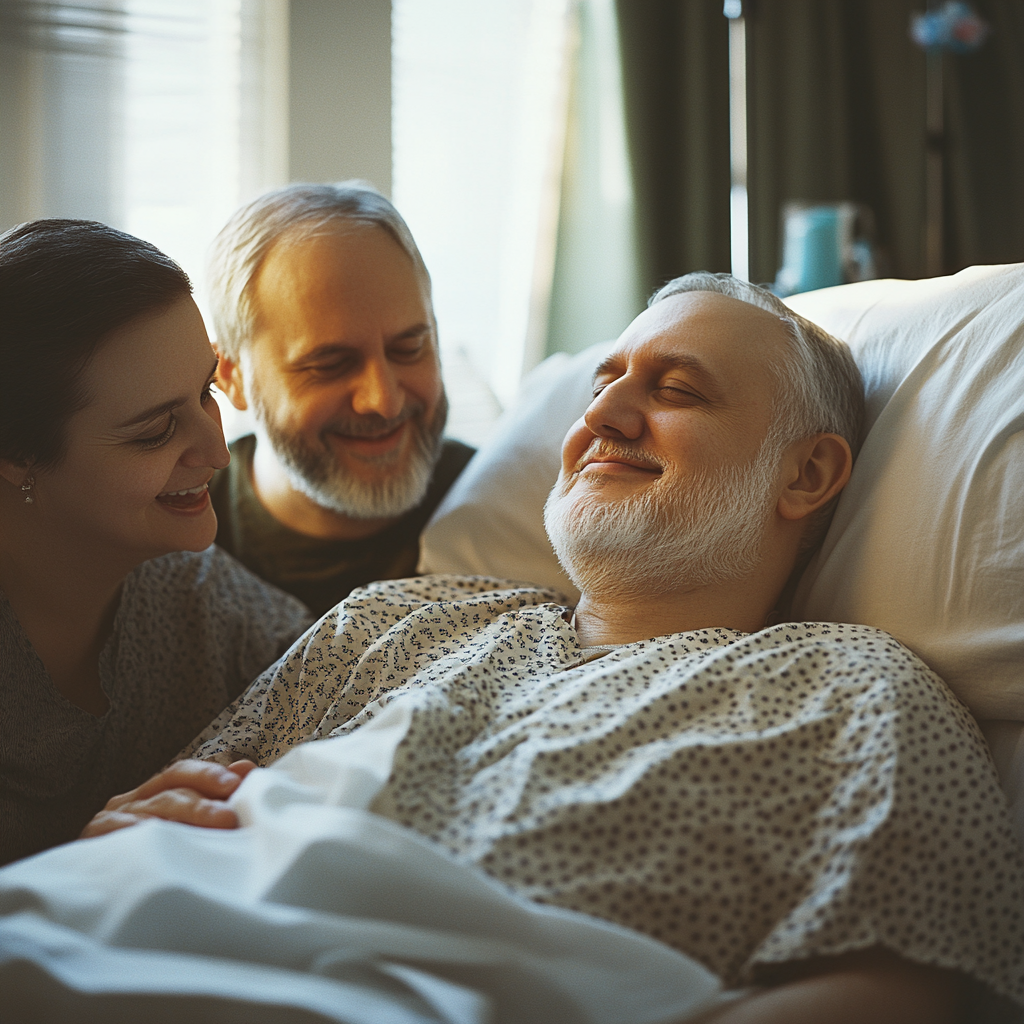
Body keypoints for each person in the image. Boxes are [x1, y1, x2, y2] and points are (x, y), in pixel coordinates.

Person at [84, 274, 1024, 1021]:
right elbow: (163, 827)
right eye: (604, 382)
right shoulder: (394, 620)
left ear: (808, 473)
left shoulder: (855, 694)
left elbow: (896, 989)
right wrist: (103, 846)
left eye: (677, 390)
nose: (605, 417)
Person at [0, 219, 313, 866]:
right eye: (154, 432)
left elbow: (344, 680)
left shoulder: (192, 593)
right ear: (15, 454)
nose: (216, 451)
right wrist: (71, 874)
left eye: (204, 393)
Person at [204, 182, 475, 616]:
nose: (384, 401)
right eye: (329, 365)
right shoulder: (175, 542)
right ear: (232, 376)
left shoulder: (507, 505)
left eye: (409, 349)